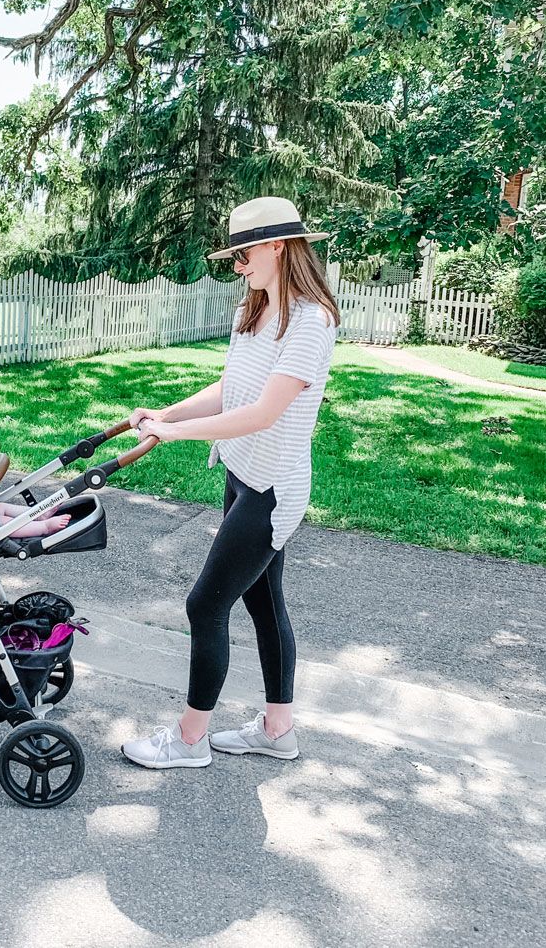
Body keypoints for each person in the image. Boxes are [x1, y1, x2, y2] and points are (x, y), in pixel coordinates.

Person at [120, 196, 339, 769]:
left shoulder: (310, 323)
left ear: (278, 247)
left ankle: (190, 741)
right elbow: (230, 391)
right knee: (265, 606)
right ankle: (277, 730)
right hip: (243, 475)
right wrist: (168, 415)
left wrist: (177, 436)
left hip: (272, 490)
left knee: (204, 606)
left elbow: (264, 412)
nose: (237, 266)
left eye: (243, 254)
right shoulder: (258, 310)